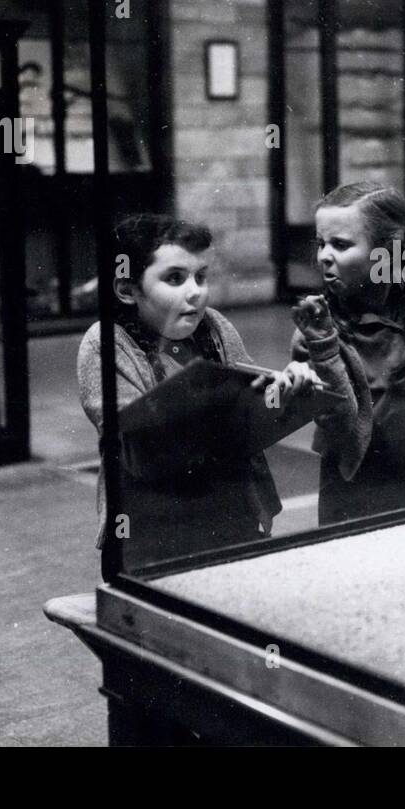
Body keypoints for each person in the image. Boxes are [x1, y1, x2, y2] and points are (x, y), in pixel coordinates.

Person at [77, 213, 354, 559]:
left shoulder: (215, 327)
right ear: (127, 290)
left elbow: (252, 396)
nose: (195, 292)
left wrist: (284, 390)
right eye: (175, 278)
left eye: (201, 277)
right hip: (151, 531)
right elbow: (136, 442)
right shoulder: (105, 343)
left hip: (231, 516)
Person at [285, 182, 405, 524]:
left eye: (340, 244)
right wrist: (296, 378)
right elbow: (301, 390)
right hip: (351, 471)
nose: (323, 255)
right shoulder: (316, 321)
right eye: (321, 243)